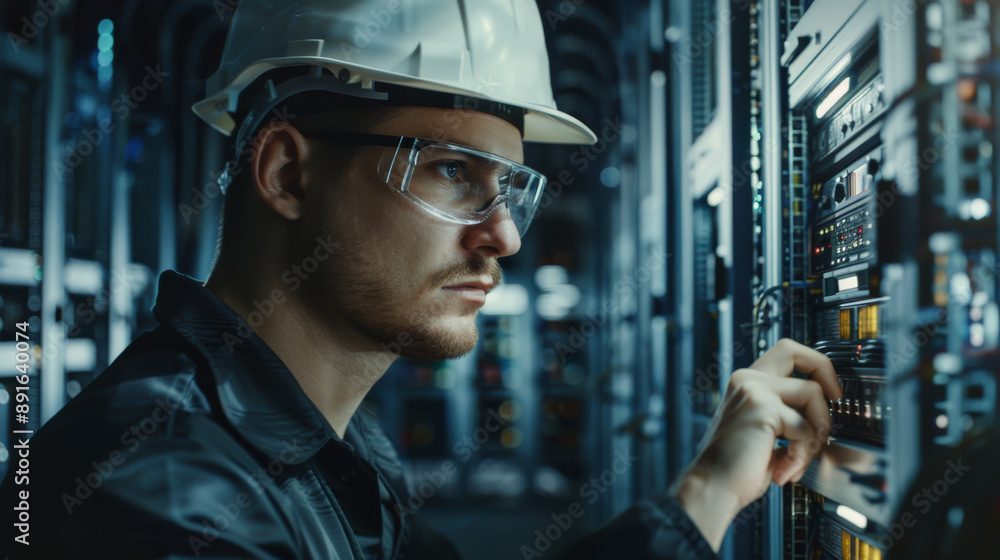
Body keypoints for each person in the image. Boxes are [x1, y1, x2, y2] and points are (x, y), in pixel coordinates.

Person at [0, 1, 841, 558]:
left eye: (512, 188)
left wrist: (706, 489)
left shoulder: (330, 443)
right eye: (450, 173)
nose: (504, 234)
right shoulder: (160, 500)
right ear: (287, 174)